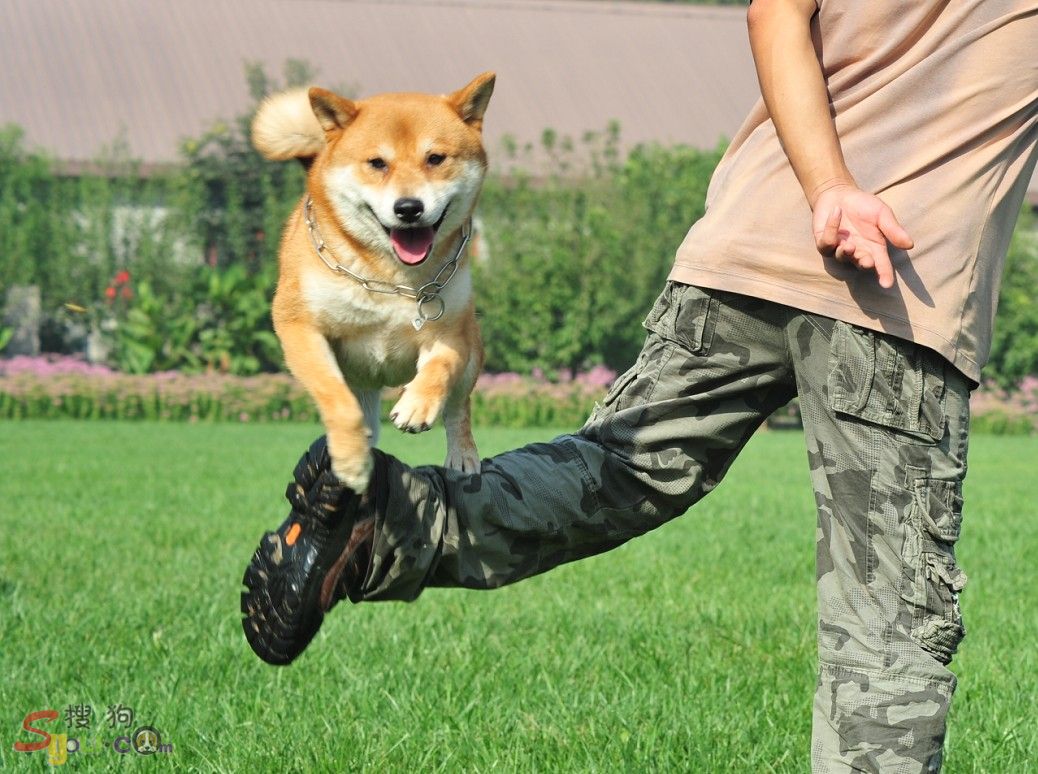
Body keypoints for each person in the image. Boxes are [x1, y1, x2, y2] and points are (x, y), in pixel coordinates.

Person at [241, 1, 1038, 770]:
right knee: (891, 621)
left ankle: (391, 519)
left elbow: (773, 14)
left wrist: (822, 186)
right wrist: (841, 193)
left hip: (747, 244)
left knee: (619, 470)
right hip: (895, 279)